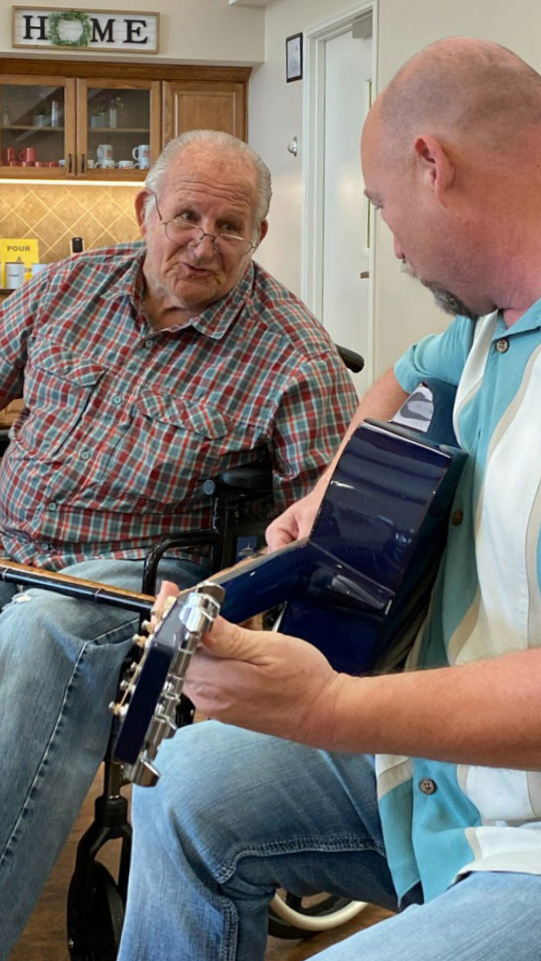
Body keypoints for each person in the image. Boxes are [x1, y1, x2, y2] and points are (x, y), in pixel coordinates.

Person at [117, 38, 541, 961]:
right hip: (451, 777)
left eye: (384, 206)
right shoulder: (491, 322)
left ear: (433, 164)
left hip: (529, 841)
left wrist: (329, 708)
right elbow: (398, 374)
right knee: (186, 778)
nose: (386, 241)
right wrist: (328, 491)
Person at [0, 130, 358, 958]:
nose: (203, 242)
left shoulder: (291, 356)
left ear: (260, 236)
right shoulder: (64, 289)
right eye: (186, 215)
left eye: (229, 227)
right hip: (10, 545)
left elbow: (321, 539)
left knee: (38, 631)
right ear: (144, 211)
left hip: (132, 581)